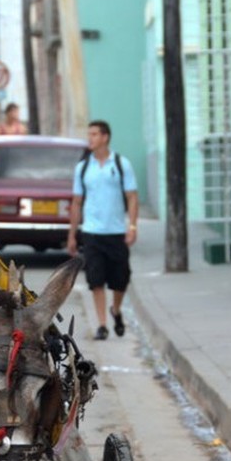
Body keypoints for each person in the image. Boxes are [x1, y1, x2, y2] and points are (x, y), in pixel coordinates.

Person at [66, 120, 139, 341]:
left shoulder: (120, 164)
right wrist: (72, 234)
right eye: (89, 134)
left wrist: (133, 226)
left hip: (116, 231)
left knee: (121, 279)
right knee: (96, 280)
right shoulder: (83, 168)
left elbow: (132, 197)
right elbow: (77, 203)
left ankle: (115, 310)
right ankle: (102, 324)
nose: (90, 138)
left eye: (95, 134)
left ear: (105, 137)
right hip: (92, 232)